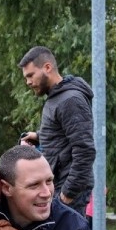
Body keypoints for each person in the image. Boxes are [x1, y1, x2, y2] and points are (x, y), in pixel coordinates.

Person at [18, 46, 95, 215]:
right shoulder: (57, 97)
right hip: (56, 185)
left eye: (31, 75)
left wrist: (67, 195)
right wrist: (39, 137)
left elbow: (85, 150)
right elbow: (64, 135)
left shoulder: (70, 100)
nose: (28, 82)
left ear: (47, 67)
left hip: (68, 192)